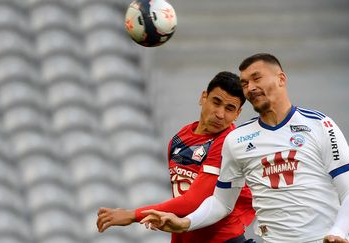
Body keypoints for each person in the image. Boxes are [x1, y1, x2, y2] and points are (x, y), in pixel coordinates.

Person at [140, 53, 349, 243]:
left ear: (281, 79)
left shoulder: (320, 125)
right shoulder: (237, 140)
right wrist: (185, 223)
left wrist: (339, 231)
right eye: (245, 83)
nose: (250, 88)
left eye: (256, 78)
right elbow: (221, 203)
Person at [96, 71, 256, 243]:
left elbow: (193, 202)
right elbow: (180, 203)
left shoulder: (228, 142)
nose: (220, 113)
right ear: (203, 97)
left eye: (229, 109)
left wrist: (132, 215)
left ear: (237, 114)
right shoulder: (180, 138)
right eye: (216, 102)